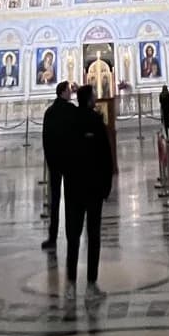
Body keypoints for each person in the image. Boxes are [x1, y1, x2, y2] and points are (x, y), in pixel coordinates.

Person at [63, 83, 112, 300]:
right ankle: (91, 284)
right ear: (89, 100)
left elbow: (61, 152)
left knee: (73, 237)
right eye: (94, 96)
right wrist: (106, 186)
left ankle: (71, 284)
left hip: (74, 188)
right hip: (92, 189)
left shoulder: (71, 121)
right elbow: (105, 155)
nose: (96, 98)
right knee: (92, 236)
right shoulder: (95, 121)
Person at [41, 81, 75, 256]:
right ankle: (71, 236)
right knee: (70, 200)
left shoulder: (50, 112)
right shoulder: (71, 111)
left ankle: (52, 237)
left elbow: (45, 138)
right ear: (63, 92)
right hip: (69, 162)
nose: (71, 93)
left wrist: (50, 159)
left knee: (55, 201)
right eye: (69, 90)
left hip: (55, 162)